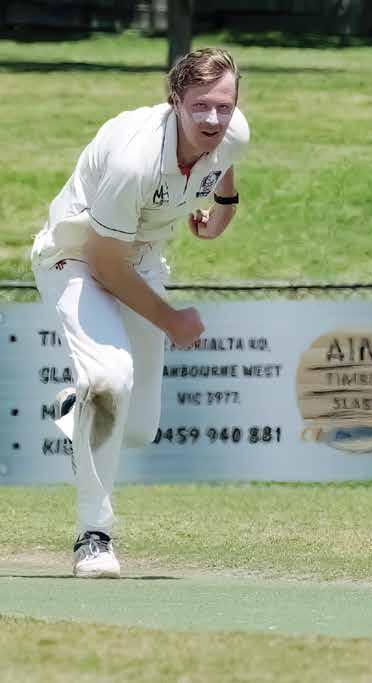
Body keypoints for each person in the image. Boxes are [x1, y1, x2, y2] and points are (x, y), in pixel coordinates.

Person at [30, 47, 250, 578]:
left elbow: (224, 167)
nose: (213, 119)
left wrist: (221, 211)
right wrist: (171, 319)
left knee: (138, 430)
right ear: (174, 100)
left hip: (142, 258)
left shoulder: (233, 132)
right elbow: (105, 264)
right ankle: (94, 536)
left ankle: (76, 407)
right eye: (200, 106)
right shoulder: (135, 160)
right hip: (76, 258)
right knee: (109, 381)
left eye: (224, 105)